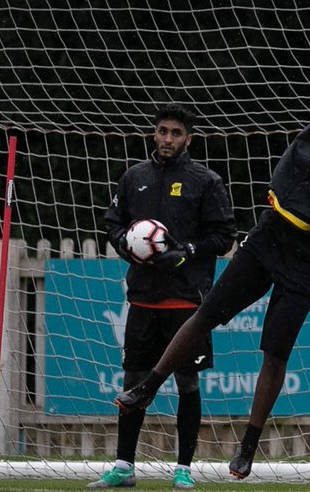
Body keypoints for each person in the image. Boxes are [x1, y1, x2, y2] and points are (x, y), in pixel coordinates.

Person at [114, 23, 310, 480]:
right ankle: (147, 387)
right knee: (206, 315)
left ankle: (248, 445)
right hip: (269, 234)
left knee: (275, 352)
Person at [88, 103, 237, 490]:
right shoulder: (134, 177)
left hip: (186, 301)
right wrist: (128, 246)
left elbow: (223, 237)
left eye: (175, 133)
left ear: (188, 138)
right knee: (133, 379)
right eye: (162, 131)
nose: (167, 139)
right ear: (154, 134)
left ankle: (183, 469)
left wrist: (184, 251)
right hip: (141, 298)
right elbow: (113, 224)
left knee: (186, 382)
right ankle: (124, 466)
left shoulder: (205, 181)